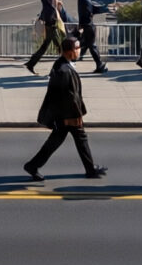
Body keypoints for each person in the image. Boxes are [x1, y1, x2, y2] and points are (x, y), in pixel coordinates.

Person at [23, 36, 107, 181]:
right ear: (69, 51)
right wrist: (75, 116)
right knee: (68, 139)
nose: (79, 50)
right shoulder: (64, 70)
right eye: (77, 48)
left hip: (66, 114)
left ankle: (90, 169)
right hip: (67, 115)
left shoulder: (63, 64)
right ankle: (33, 165)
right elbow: (68, 96)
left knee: (71, 139)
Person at [24, 0, 63, 74]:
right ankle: (60, 67)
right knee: (57, 45)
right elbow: (53, 7)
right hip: (52, 22)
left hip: (49, 21)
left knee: (50, 45)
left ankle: (31, 63)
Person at [76, 0, 108, 73]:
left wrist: (104, 8)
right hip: (88, 25)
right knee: (91, 45)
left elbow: (92, 9)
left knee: (86, 44)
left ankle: (99, 65)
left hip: (87, 25)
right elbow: (89, 11)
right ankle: (99, 64)